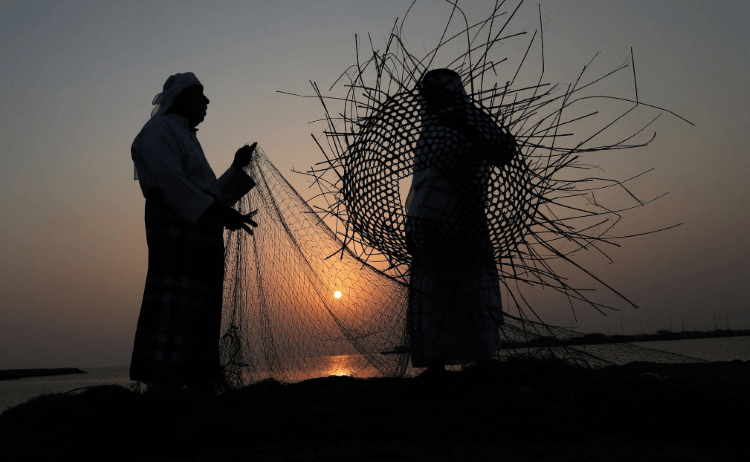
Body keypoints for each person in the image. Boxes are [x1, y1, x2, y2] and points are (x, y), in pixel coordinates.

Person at [129, 72, 258, 394]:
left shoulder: (187, 136)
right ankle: (163, 389)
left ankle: (196, 384)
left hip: (200, 230)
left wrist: (236, 167)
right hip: (175, 227)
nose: (207, 102)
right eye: (201, 95)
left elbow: (208, 192)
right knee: (174, 303)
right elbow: (173, 185)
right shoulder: (158, 131)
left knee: (200, 306)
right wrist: (217, 212)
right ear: (183, 97)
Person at [405, 69, 515, 374]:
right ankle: (436, 363)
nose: (427, 99)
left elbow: (505, 151)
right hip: (428, 221)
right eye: (425, 94)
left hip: (465, 219)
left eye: (433, 92)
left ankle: (481, 359)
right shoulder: (430, 125)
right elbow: (420, 182)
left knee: (470, 287)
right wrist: (410, 225)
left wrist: (465, 124)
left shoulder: (471, 117)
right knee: (432, 291)